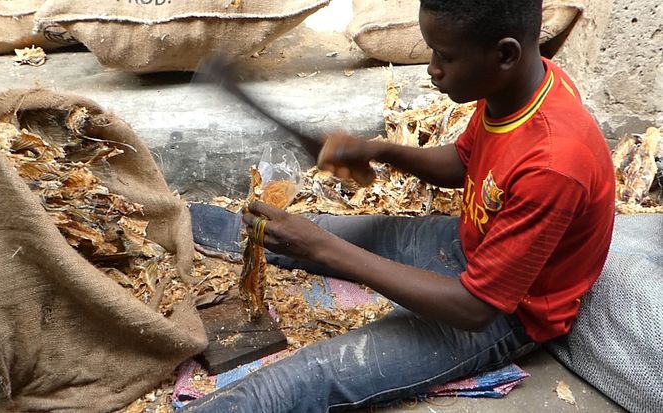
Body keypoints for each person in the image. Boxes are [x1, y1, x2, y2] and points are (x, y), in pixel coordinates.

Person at [184, 0, 616, 411]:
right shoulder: (521, 87)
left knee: (309, 375)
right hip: (471, 244)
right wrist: (380, 151)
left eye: (444, 55)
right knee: (311, 231)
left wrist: (321, 249)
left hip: (506, 314)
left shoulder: (554, 163)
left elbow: (476, 308)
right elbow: (463, 161)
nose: (432, 68)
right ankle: (175, 225)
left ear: (504, 54)